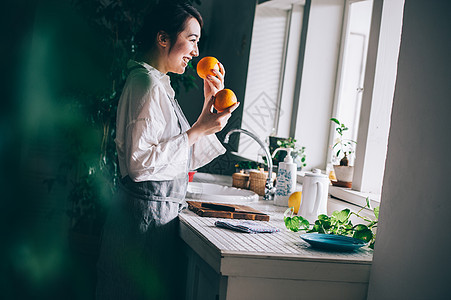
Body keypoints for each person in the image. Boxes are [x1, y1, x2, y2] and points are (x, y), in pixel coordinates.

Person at [95, 2, 239, 299]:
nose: (196, 53)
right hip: (143, 221)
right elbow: (140, 164)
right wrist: (199, 129)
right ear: (163, 39)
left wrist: (207, 109)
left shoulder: (157, 84)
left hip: (152, 218)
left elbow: (183, 154)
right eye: (192, 40)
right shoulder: (145, 84)